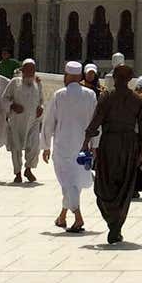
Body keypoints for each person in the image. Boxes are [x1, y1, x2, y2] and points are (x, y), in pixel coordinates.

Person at [82, 64, 142, 244]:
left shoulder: (107, 98)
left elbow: (94, 123)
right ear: (129, 80)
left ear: (115, 78)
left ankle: (113, 225)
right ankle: (116, 226)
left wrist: (84, 145)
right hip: (128, 146)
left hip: (110, 145)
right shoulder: (136, 100)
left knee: (105, 185)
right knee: (124, 186)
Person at [43, 62, 97, 233]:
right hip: (84, 146)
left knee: (68, 183)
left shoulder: (59, 95)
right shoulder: (90, 95)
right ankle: (62, 216)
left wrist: (45, 146)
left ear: (66, 76)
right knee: (75, 183)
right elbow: (96, 123)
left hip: (63, 146)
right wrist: (95, 145)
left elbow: (49, 122)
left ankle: (78, 218)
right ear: (80, 77)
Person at [3, 59, 44, 183]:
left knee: (34, 146)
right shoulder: (14, 83)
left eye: (33, 69)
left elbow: (41, 100)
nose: (31, 72)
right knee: (16, 147)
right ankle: (18, 173)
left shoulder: (38, 83)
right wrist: (12, 106)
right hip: (17, 121)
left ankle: (28, 168)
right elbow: (4, 99)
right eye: (28, 69)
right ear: (23, 70)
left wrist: (41, 108)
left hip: (33, 121)